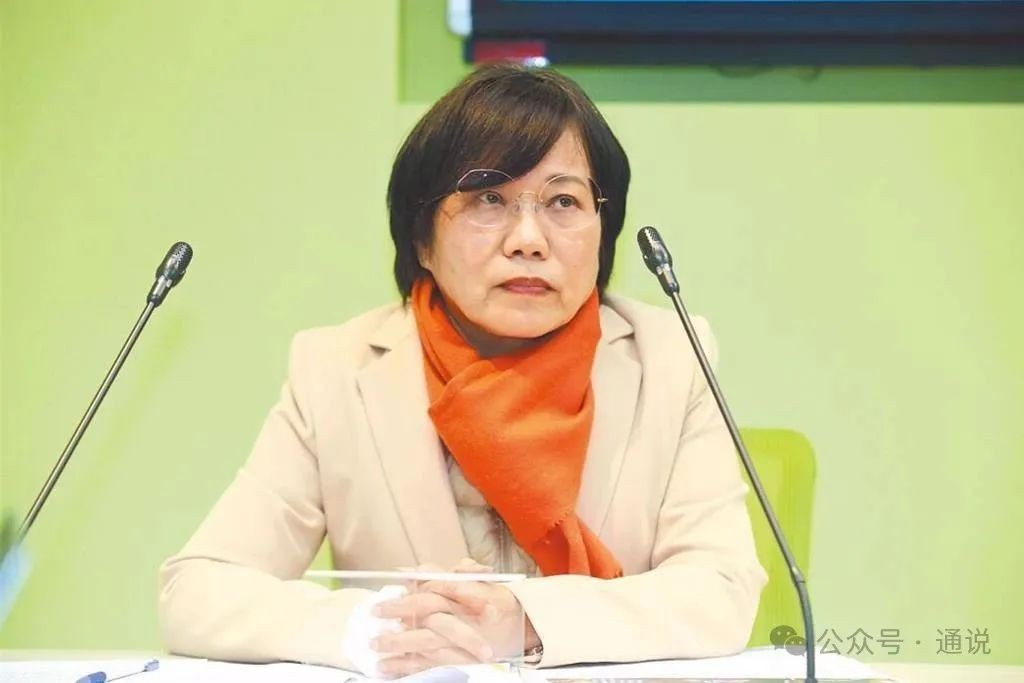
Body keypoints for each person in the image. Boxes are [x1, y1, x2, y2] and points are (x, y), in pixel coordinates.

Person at [158, 63, 768, 676]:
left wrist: (525, 622)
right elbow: (199, 589)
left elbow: (720, 587)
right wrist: (386, 627)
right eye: (488, 199)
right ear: (421, 238)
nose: (528, 239)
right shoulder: (336, 369)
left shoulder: (671, 356)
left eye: (563, 201)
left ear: (602, 232)